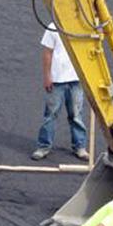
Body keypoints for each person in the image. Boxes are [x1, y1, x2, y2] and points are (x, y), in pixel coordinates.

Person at [31, 22, 89, 161]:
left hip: (77, 79)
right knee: (50, 115)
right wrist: (47, 76)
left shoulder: (83, 26)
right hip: (57, 80)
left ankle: (79, 146)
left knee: (76, 115)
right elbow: (47, 53)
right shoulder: (53, 26)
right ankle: (44, 147)